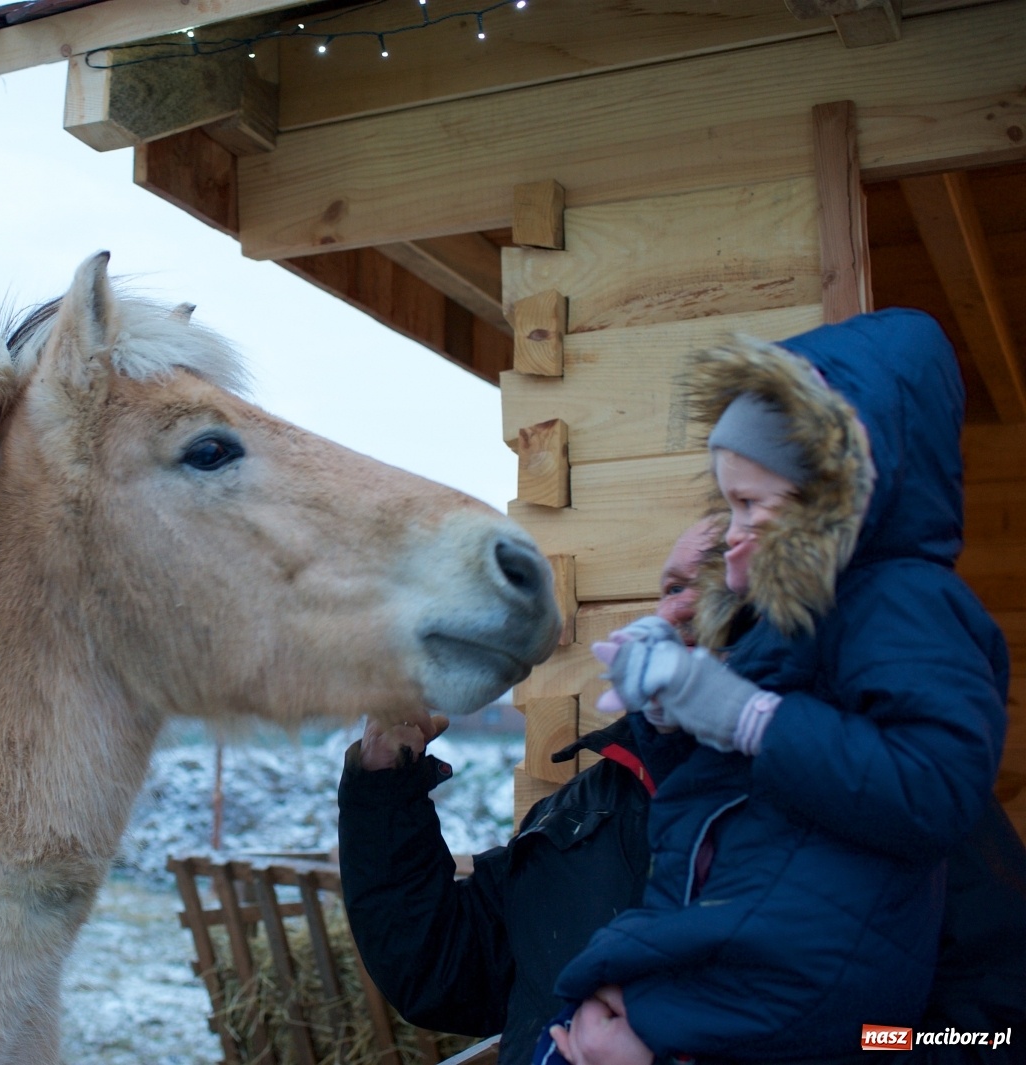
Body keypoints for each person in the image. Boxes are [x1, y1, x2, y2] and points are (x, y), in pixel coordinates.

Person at [337, 310, 1026, 1065]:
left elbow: (987, 1030)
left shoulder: (885, 796)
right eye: (666, 588)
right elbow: (440, 970)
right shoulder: (589, 808)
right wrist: (385, 780)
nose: (676, 608)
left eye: (712, 589)